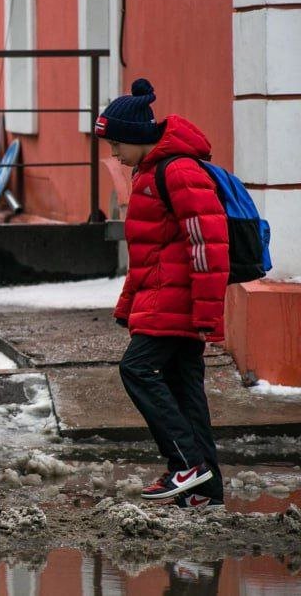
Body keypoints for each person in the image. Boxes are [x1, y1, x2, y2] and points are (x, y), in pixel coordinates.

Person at [96, 78, 228, 508]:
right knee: (185, 389)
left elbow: (207, 244)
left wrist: (208, 313)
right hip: (164, 301)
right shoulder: (151, 173)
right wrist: (127, 304)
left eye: (117, 143)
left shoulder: (178, 171)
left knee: (137, 370)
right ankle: (205, 492)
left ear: (136, 137)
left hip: (179, 304)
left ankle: (186, 463)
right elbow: (148, 254)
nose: (113, 153)